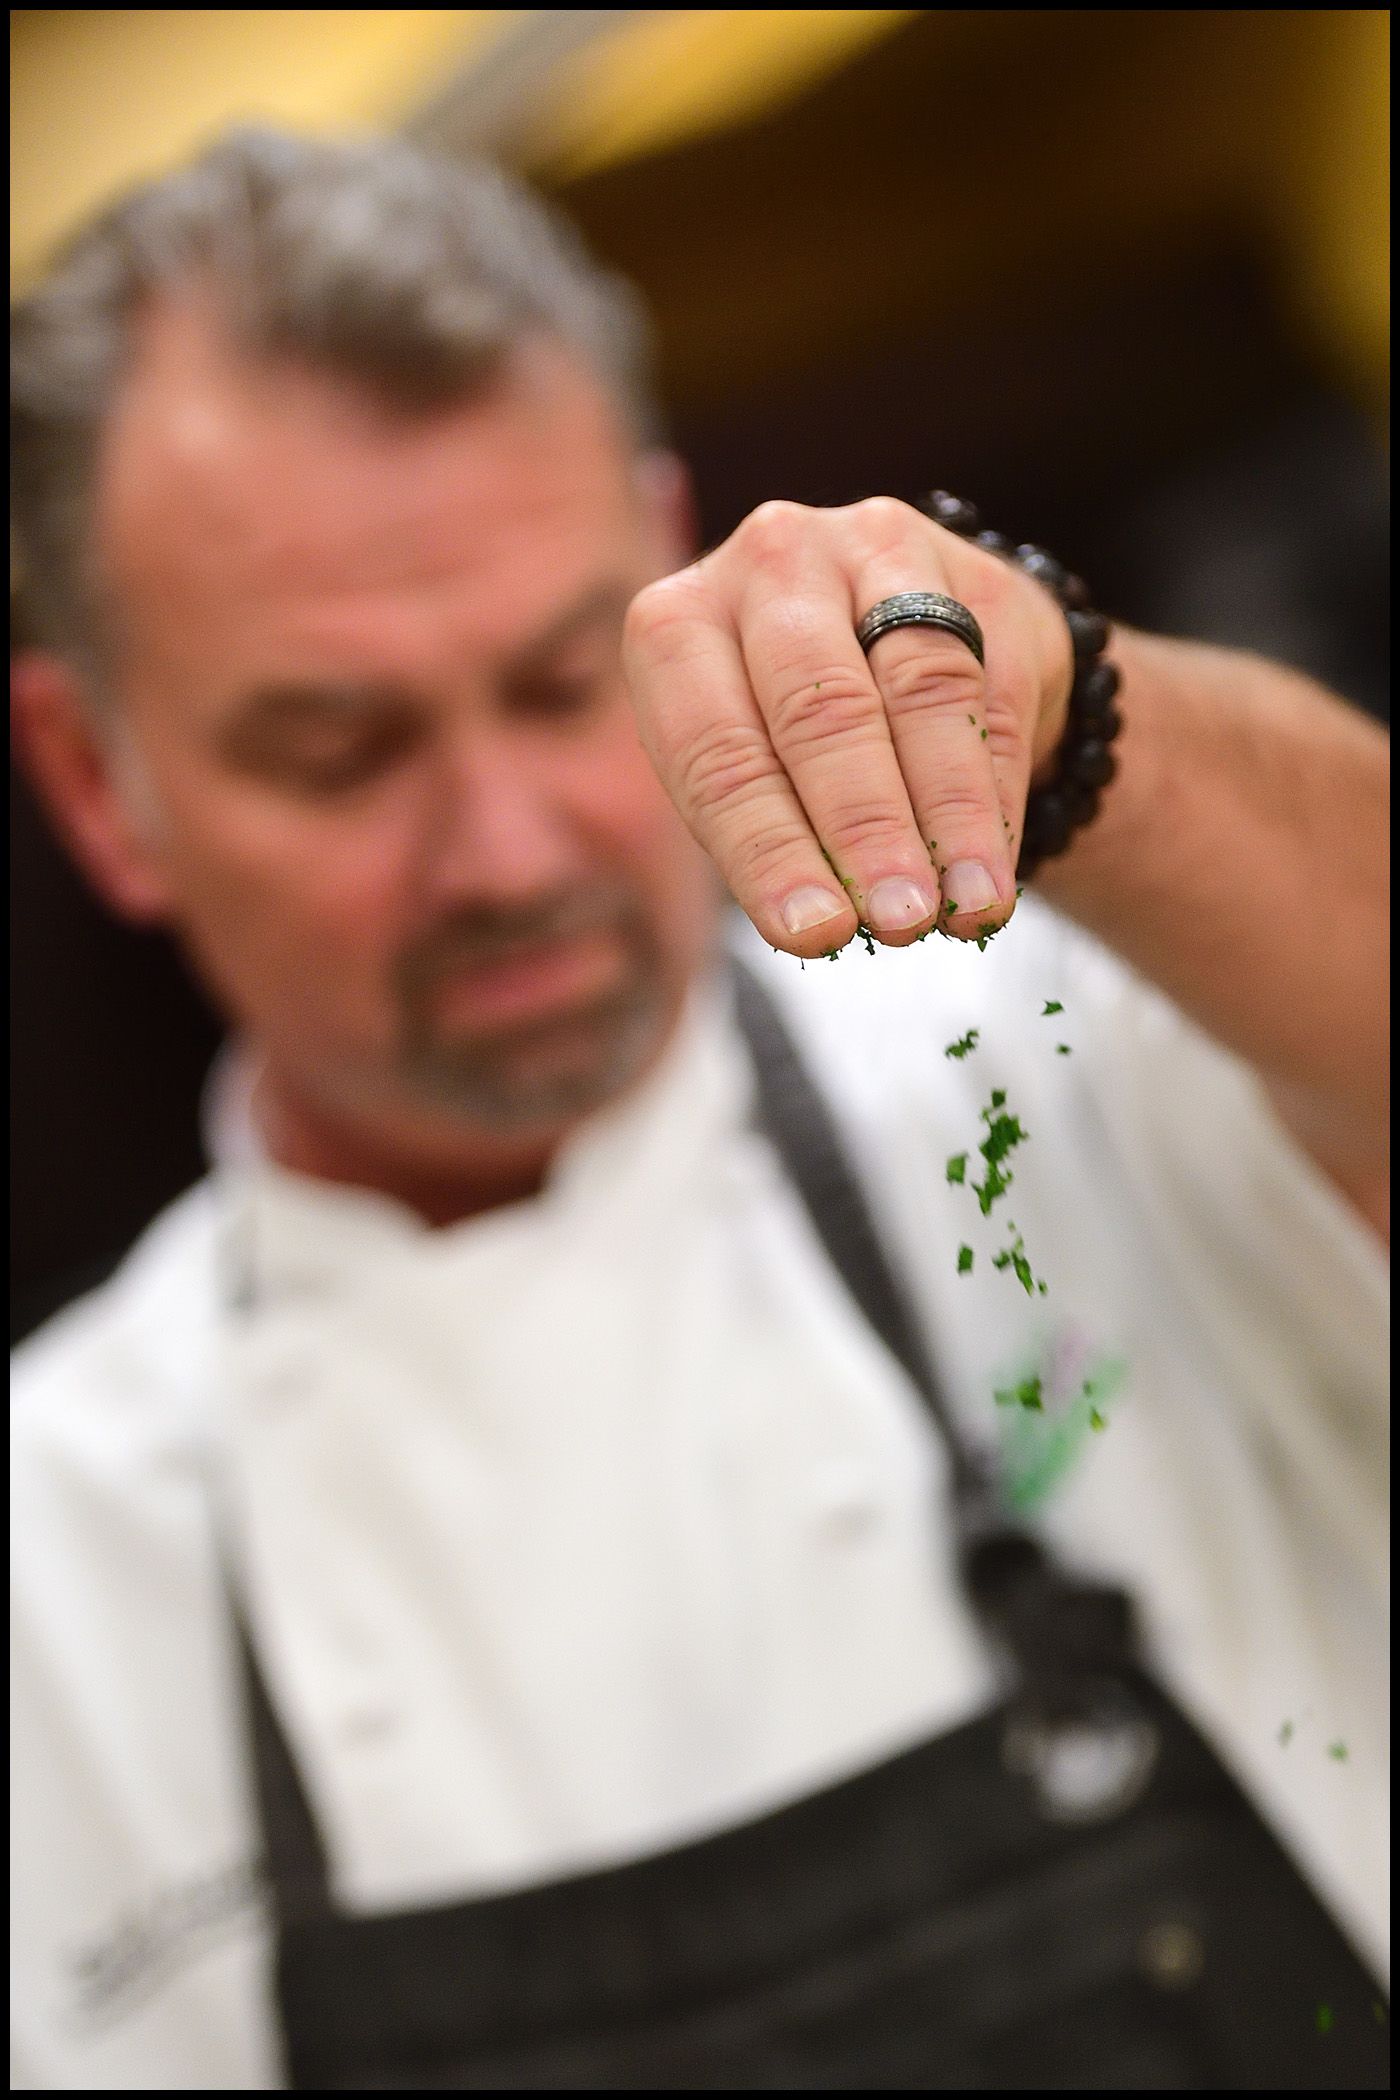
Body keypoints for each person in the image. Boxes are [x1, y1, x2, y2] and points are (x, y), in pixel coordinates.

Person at [10, 128, 1388, 2091]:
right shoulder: (52, 1570)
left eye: (564, 679)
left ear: (664, 556)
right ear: (92, 779)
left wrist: (1077, 713)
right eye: (337, 751)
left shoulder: (1038, 1069)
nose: (503, 851)